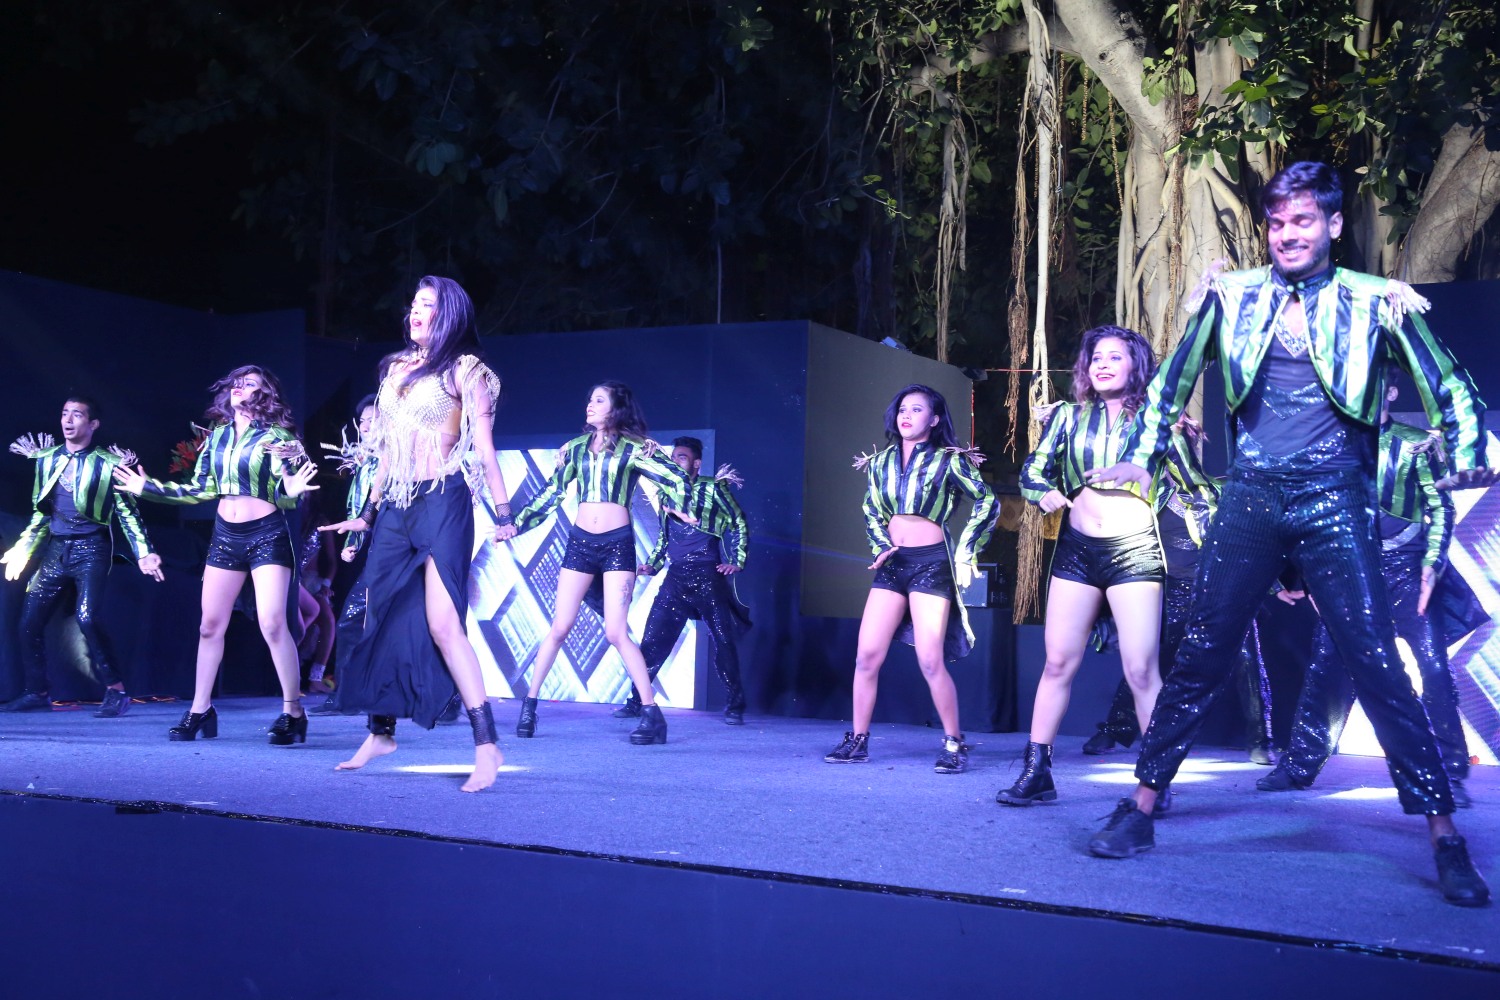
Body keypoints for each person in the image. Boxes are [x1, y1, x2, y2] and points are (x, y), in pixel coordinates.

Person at [1083, 161, 1494, 908]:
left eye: (1302, 221)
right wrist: (1142, 455)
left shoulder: (1376, 300)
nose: (1287, 235)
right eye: (1276, 223)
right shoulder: (1231, 297)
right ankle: (1139, 807)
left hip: (1336, 496)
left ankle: (1443, 835)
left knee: (1377, 663)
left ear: (1333, 225)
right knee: (1202, 651)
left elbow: (1448, 381)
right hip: (1251, 496)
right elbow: (1171, 383)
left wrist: (1466, 450)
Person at [319, 277, 512, 792]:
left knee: (444, 625)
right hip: (397, 505)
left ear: (449, 314)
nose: (415, 311)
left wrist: (504, 512)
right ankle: (380, 733)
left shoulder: (466, 370)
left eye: (427, 304)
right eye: (413, 304)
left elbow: (484, 448)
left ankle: (487, 746)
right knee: (373, 613)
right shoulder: (395, 369)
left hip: (443, 500)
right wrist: (367, 512)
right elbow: (386, 448)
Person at [1259, 378, 1477, 806]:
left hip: (1408, 572)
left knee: (1433, 667)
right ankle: (1299, 765)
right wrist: (1314, 580)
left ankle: (1449, 771)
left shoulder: (1416, 443)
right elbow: (1313, 519)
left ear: (1391, 391)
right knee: (1328, 667)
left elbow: (1441, 507)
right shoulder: (1328, 446)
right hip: (1350, 573)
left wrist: (1432, 565)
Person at [114, 367, 318, 744]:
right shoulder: (219, 436)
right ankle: (200, 709)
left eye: (251, 383)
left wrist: (292, 489)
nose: (240, 386)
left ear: (266, 394)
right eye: (237, 382)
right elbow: (198, 490)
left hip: (267, 535)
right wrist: (147, 487)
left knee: (273, 623)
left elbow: (289, 491)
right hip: (226, 536)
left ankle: (293, 711)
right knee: (209, 625)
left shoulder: (278, 437)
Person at [823, 383, 998, 774]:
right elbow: (871, 509)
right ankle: (858, 739)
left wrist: (967, 550)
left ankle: (953, 741)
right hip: (893, 563)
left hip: (931, 563)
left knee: (930, 659)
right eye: (903, 409)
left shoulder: (949, 460)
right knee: (866, 656)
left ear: (934, 420)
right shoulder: (881, 462)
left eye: (917, 409)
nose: (907, 415)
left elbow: (987, 501)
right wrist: (879, 545)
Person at [1080, 419, 1275, 766]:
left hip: (1221, 591)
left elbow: (1250, 543)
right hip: (1172, 591)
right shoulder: (1151, 497)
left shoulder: (1217, 492)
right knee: (1147, 659)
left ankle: (1262, 740)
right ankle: (1115, 729)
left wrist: (1272, 585)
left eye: (1180, 446)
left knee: (1247, 661)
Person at [509, 381, 691, 746]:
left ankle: (651, 713)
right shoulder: (575, 448)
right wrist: (517, 524)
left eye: (598, 400)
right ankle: (529, 706)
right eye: (589, 399)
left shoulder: (635, 448)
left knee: (615, 632)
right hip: (580, 544)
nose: (589, 404)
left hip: (616, 546)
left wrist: (679, 505)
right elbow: (552, 491)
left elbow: (676, 478)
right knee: (560, 626)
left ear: (616, 408)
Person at [1, 397, 163, 717]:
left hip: (92, 548)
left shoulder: (107, 463)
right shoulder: (47, 459)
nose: (68, 420)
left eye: (77, 414)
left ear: (93, 424)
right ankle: (37, 691)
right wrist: (23, 549)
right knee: (28, 622)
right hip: (57, 550)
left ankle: (116, 691)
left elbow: (127, 513)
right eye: (64, 413)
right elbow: (41, 513)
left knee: (87, 617)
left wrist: (144, 552)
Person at [615, 437, 752, 725]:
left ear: (696, 463)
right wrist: (652, 565)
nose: (676, 461)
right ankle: (637, 700)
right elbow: (664, 538)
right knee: (653, 640)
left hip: (707, 575)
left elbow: (738, 521)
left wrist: (737, 561)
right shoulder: (667, 492)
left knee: (723, 641)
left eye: (682, 457)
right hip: (676, 577)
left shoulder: (712, 488)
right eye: (674, 456)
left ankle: (735, 705)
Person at [309, 394, 378, 716]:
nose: (366, 427)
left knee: (425, 623)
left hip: (404, 552)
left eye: (373, 421)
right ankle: (347, 696)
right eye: (363, 422)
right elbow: (359, 508)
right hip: (379, 551)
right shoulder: (367, 462)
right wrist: (353, 541)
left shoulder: (402, 460)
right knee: (353, 619)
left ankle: (445, 696)